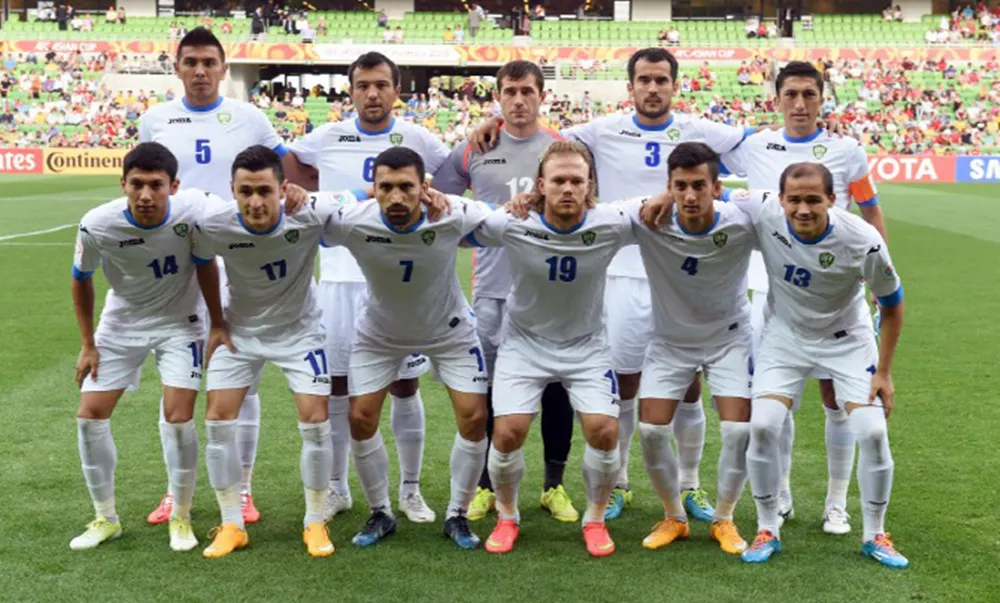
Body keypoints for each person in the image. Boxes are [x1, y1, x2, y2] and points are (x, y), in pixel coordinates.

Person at [468, 47, 754, 522]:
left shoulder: (703, 130)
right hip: (619, 272)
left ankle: (691, 485)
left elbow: (759, 146)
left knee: (688, 387)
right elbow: (536, 136)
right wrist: (493, 124)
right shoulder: (600, 129)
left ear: (674, 85)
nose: (653, 88)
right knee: (622, 385)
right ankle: (617, 483)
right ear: (631, 86)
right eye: (644, 79)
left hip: (676, 275)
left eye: (661, 80)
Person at [680, 164, 906, 568]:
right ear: (780, 199)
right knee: (763, 425)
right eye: (794, 200)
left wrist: (884, 371)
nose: (802, 209)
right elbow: (710, 195)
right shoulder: (763, 209)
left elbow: (892, 305)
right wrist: (664, 197)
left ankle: (876, 534)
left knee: (872, 432)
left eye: (813, 200)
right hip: (784, 337)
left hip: (847, 340)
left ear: (832, 200)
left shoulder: (862, 240)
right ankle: (768, 528)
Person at [138, 26, 298, 527]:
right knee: (176, 381)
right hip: (175, 267)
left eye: (210, 62)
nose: (201, 71)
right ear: (177, 67)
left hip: (235, 263)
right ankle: (175, 492)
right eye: (191, 62)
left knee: (240, 378)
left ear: (224, 68)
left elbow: (284, 171)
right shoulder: (155, 118)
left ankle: (244, 489)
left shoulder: (249, 117)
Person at [720, 60, 887, 536]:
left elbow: (872, 211)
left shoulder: (847, 150)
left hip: (835, 294)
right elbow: (703, 163)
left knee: (837, 400)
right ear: (776, 99)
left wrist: (878, 280)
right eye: (790, 94)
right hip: (768, 291)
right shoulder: (753, 145)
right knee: (777, 401)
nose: (799, 103)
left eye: (809, 94)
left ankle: (837, 502)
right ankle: (784, 491)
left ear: (821, 98)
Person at [283, 52, 451, 524]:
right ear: (350, 91)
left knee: (403, 383)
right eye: (362, 85)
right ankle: (337, 488)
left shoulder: (419, 138)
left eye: (381, 84)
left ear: (397, 90)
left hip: (399, 282)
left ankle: (411, 490)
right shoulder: (327, 136)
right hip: (338, 280)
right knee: (337, 387)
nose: (372, 93)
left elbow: (456, 170)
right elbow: (286, 165)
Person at [315, 147, 491, 550]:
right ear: (373, 189)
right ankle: (380, 511)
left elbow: (501, 217)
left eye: (406, 187)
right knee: (360, 417)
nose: (396, 197)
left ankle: (457, 515)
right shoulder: (355, 220)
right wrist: (354, 195)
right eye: (386, 187)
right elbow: (312, 212)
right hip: (380, 334)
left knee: (474, 416)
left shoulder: (451, 213)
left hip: (450, 332)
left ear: (423, 188)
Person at [464, 141, 628, 557]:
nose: (568, 188)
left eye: (577, 180)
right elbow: (459, 224)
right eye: (558, 180)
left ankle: (594, 519)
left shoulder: (611, 222)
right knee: (507, 433)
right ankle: (508, 516)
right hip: (525, 344)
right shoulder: (514, 221)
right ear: (541, 185)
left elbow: (656, 207)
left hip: (587, 345)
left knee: (605, 431)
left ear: (590, 185)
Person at [431, 60, 578, 523]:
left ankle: (553, 486)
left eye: (527, 91)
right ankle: (486, 485)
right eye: (510, 91)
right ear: (498, 97)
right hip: (492, 288)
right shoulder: (473, 149)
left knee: (556, 387)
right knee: (491, 389)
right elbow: (443, 203)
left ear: (541, 96)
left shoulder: (560, 148)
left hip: (550, 288)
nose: (518, 100)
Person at [192, 146, 354, 559]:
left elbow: (363, 193)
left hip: (300, 333)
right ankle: (231, 524)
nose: (255, 201)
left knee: (315, 420)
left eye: (265, 190)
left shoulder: (310, 211)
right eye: (245, 191)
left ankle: (314, 522)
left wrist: (426, 191)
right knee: (217, 422)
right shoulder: (215, 223)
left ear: (284, 189)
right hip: (240, 333)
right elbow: (201, 261)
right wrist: (215, 321)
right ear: (232, 190)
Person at [68, 143, 217, 553]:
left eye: (156, 185)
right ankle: (105, 518)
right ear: (123, 185)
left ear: (175, 186)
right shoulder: (97, 224)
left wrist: (217, 323)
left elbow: (219, 248)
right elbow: (81, 278)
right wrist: (87, 344)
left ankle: (181, 516)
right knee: (89, 416)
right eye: (137, 185)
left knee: (178, 416)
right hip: (121, 324)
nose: (146, 195)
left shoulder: (195, 209)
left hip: (180, 324)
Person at [626, 142, 755, 555]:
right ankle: (674, 517)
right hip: (670, 341)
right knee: (650, 431)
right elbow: (592, 211)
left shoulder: (741, 220)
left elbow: (787, 205)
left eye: (699, 185)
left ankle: (725, 519)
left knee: (737, 431)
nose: (690, 195)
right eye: (680, 186)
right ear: (668, 186)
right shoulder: (650, 219)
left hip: (729, 338)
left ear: (716, 186)